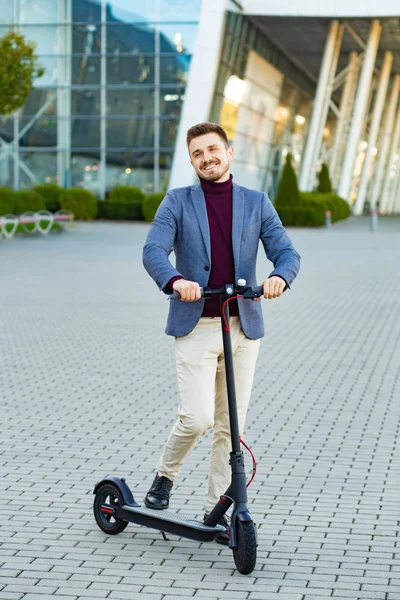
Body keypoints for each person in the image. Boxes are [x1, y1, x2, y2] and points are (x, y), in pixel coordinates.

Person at [142, 122, 300, 544]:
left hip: (242, 327)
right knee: (196, 418)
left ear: (229, 152)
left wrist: (279, 277)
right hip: (196, 323)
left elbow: (285, 250)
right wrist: (176, 280)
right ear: (192, 161)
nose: (206, 158)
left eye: (213, 149)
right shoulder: (177, 202)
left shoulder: (256, 202)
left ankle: (218, 508)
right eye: (197, 153)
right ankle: (165, 476)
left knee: (232, 426)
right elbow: (153, 249)